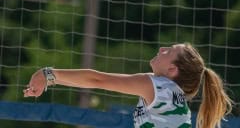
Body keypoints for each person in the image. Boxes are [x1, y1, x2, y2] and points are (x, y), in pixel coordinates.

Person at [23, 43, 233, 128]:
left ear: (172, 70)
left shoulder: (157, 87)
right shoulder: (167, 92)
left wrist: (48, 74)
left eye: (169, 51)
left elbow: (97, 80)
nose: (161, 48)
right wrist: (51, 78)